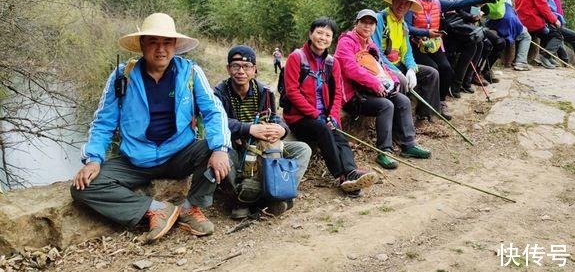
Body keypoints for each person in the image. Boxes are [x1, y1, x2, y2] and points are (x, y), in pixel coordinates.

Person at [71, 13, 231, 243]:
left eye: (167, 42)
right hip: (136, 160)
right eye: (153, 42)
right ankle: (155, 209)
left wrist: (220, 149)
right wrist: (94, 158)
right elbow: (103, 123)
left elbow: (214, 111)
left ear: (175, 46)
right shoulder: (122, 76)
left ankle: (190, 208)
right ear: (142, 45)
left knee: (219, 149)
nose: (161, 49)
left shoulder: (190, 72)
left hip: (179, 153)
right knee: (82, 188)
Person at [214, 45, 311, 219]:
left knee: (303, 149)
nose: (241, 71)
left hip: (261, 144)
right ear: (228, 69)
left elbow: (273, 117)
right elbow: (217, 122)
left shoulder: (264, 92)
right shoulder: (219, 92)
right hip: (234, 144)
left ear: (255, 70)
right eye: (236, 66)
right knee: (223, 157)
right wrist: (249, 129)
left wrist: (281, 129)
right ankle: (242, 200)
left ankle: (277, 193)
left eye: (247, 66)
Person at [283, 18, 378, 196]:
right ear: (310, 34)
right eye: (319, 33)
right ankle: (341, 176)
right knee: (323, 129)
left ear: (332, 39)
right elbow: (292, 92)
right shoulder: (297, 57)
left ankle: (351, 172)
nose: (323, 38)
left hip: (324, 115)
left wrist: (333, 116)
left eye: (328, 35)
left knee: (338, 134)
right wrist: (315, 114)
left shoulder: (332, 62)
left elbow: (337, 93)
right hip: (299, 117)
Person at [335, 9, 431, 169]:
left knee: (403, 100)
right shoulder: (346, 42)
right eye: (363, 22)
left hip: (369, 90)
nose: (367, 26)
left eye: (371, 23)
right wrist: (374, 83)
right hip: (353, 95)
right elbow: (350, 68)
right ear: (356, 23)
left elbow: (382, 65)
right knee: (386, 105)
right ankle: (384, 151)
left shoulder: (370, 43)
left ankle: (408, 144)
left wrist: (393, 81)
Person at [407, 0, 492, 103]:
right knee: (434, 69)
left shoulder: (436, 2)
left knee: (446, 69)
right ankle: (427, 107)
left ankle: (441, 101)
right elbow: (407, 28)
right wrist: (426, 33)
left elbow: (458, 4)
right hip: (416, 45)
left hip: (434, 43)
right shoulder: (412, 4)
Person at [371, 0, 444, 122]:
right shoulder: (381, 19)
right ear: (393, 1)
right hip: (383, 67)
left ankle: (424, 115)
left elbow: (407, 51)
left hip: (399, 64)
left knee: (431, 73)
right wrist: (394, 71)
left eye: (406, 3)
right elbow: (376, 52)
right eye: (399, 1)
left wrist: (411, 68)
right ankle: (400, 125)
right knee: (403, 81)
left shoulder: (403, 24)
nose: (401, 6)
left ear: (410, 7)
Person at [513, 0, 563, 70]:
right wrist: (555, 20)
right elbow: (543, 8)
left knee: (546, 31)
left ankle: (546, 57)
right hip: (533, 22)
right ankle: (544, 57)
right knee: (556, 35)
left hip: (520, 20)